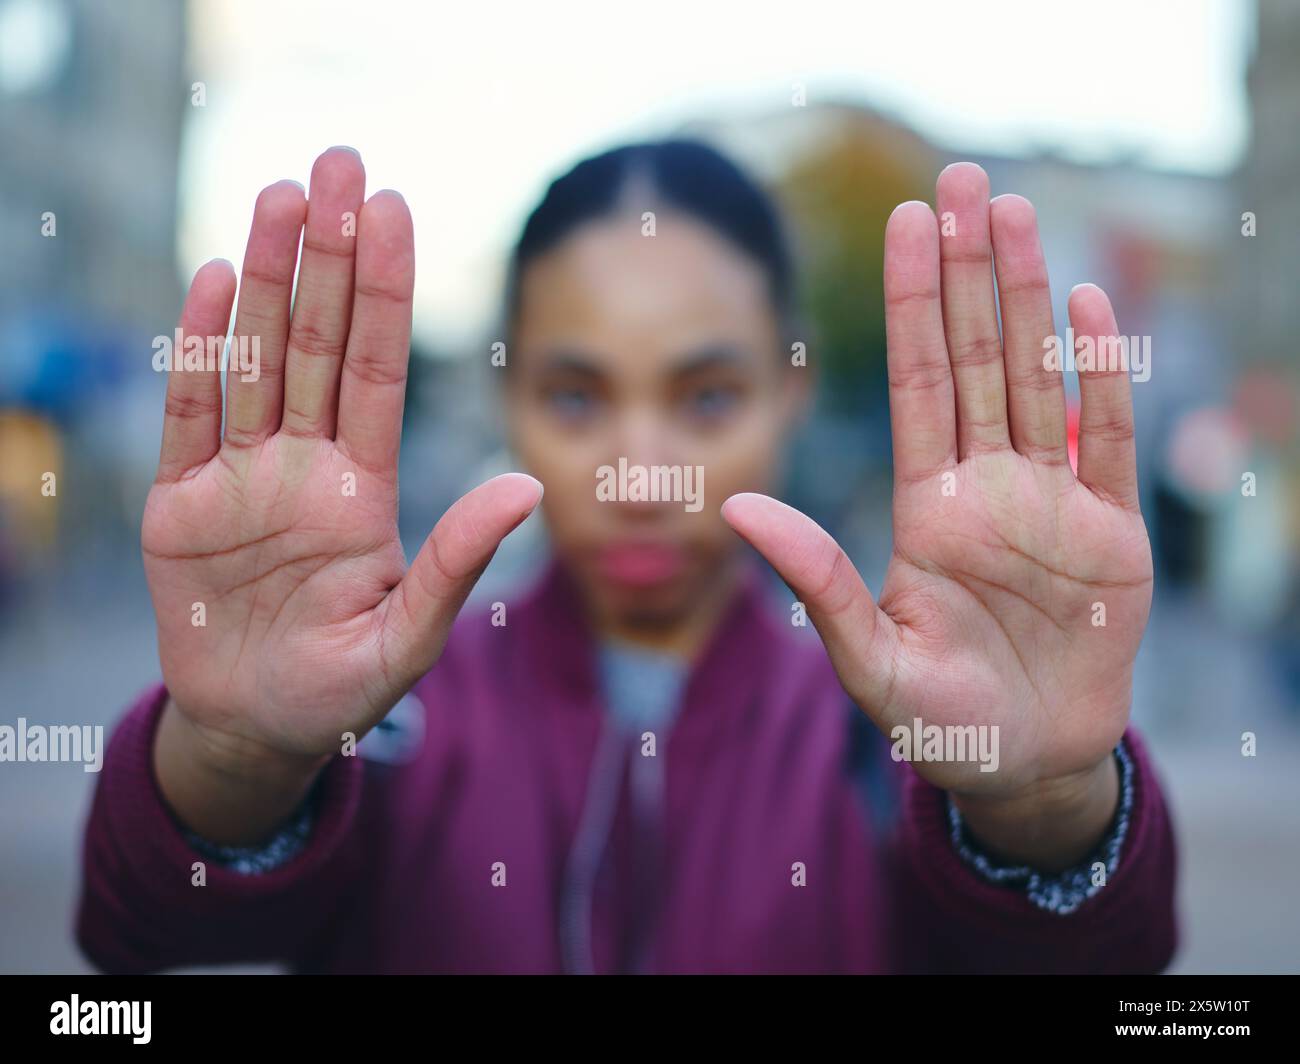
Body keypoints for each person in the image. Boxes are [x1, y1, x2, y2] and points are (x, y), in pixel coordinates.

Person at [76, 142, 1176, 974]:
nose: (639, 469)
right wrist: (234, 757)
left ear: (789, 393)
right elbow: (136, 932)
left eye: (705, 397)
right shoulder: (383, 716)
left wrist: (1043, 800)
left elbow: (1117, 962)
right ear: (507, 393)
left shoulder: (905, 734)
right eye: (573, 395)